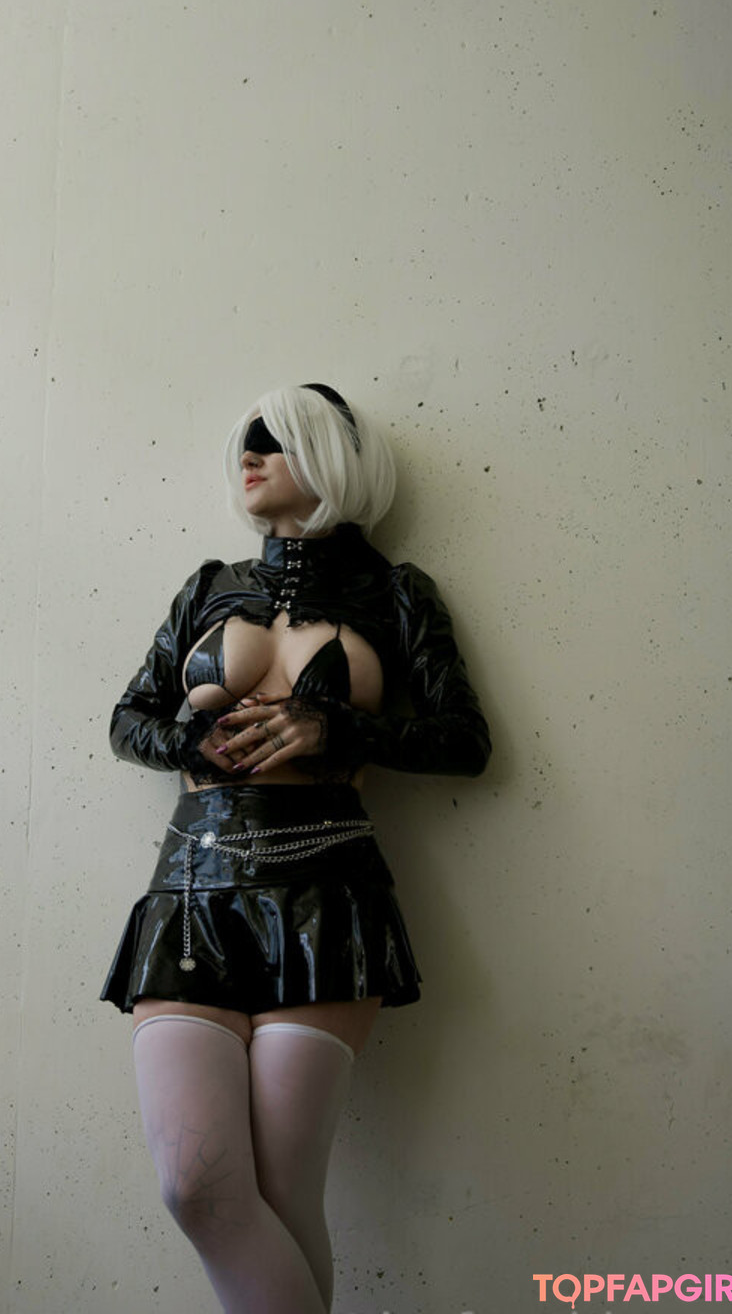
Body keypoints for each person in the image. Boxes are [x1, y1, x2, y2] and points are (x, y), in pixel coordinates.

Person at [101, 383, 491, 1314]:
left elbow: (465, 742)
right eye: (246, 438)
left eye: (273, 438)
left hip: (327, 895)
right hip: (190, 895)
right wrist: (189, 742)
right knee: (197, 1188)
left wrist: (338, 728)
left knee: (282, 1194)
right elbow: (128, 719)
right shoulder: (208, 586)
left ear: (331, 456)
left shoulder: (395, 593)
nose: (250, 452)